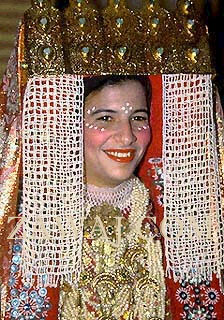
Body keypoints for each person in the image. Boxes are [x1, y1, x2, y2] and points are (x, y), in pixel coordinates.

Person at [0, 0, 223, 319]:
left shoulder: (175, 226)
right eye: (105, 118)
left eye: (138, 117)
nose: (127, 136)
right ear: (67, 124)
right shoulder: (33, 233)